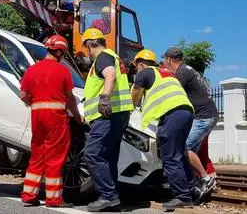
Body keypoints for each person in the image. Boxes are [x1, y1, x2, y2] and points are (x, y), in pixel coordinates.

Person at [19, 34, 84, 208]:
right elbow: (70, 98)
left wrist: (35, 104)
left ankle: (28, 194)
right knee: (55, 157)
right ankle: (54, 199)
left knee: (38, 154)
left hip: (37, 117)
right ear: (60, 52)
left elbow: (23, 95)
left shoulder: (31, 70)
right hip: (55, 118)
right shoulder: (63, 71)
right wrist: (77, 116)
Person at [130, 49, 195, 210]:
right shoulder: (166, 74)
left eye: (136, 66)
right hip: (186, 112)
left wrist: (128, 113)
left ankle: (182, 196)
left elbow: (134, 97)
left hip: (172, 115)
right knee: (179, 153)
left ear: (141, 63)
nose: (136, 70)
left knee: (170, 157)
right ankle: (189, 191)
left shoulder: (145, 73)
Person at [81, 28, 134, 212]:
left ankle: (107, 195)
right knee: (109, 156)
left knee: (92, 153)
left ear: (89, 45)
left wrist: (104, 98)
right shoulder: (113, 56)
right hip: (118, 114)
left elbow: (109, 74)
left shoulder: (102, 57)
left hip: (107, 115)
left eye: (86, 48)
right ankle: (113, 197)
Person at [162, 47, 218, 202]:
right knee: (190, 151)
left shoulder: (181, 73)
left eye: (165, 62)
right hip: (207, 115)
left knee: (184, 147)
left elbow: (173, 93)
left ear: (169, 59)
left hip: (203, 117)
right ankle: (193, 185)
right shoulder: (188, 69)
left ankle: (205, 179)